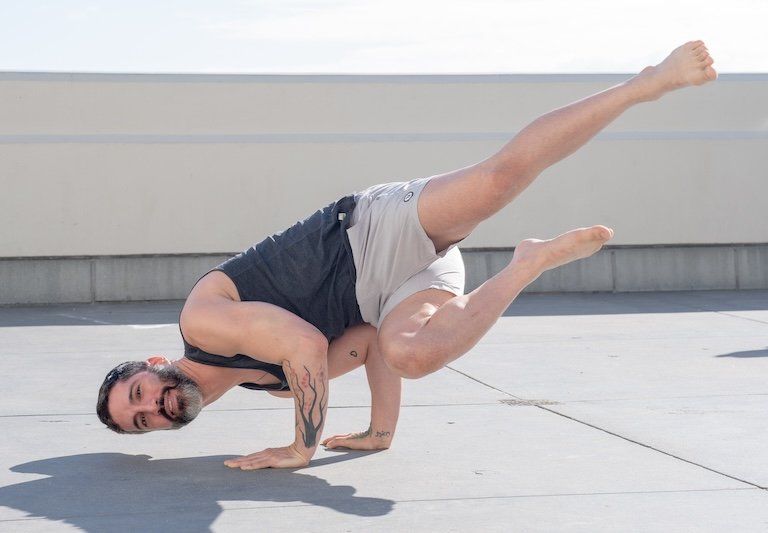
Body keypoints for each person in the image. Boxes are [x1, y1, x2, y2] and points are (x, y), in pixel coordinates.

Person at [96, 41, 717, 470]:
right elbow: (368, 343)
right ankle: (526, 264)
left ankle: (646, 84)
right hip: (397, 290)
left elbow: (308, 345)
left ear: (152, 364)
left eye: (140, 393)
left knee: (498, 181)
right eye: (145, 421)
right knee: (412, 354)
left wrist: (301, 450)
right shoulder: (277, 387)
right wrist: (379, 430)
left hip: (367, 234)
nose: (155, 406)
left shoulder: (202, 323)